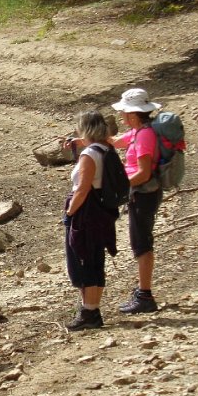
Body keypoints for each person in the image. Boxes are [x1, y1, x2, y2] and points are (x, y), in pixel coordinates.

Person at [63, 111, 117, 331]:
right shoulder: (106, 149)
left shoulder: (90, 154)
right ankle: (91, 309)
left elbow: (83, 188)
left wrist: (70, 212)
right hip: (102, 210)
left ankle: (89, 312)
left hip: (86, 212)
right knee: (95, 258)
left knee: (83, 259)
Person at [110, 88, 163, 314]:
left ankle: (145, 296)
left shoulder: (144, 136)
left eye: (123, 112)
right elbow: (115, 141)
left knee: (141, 243)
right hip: (140, 193)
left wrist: (119, 187)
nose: (121, 115)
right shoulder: (137, 132)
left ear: (132, 114)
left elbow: (143, 173)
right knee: (140, 241)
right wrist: (82, 140)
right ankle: (143, 292)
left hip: (144, 194)